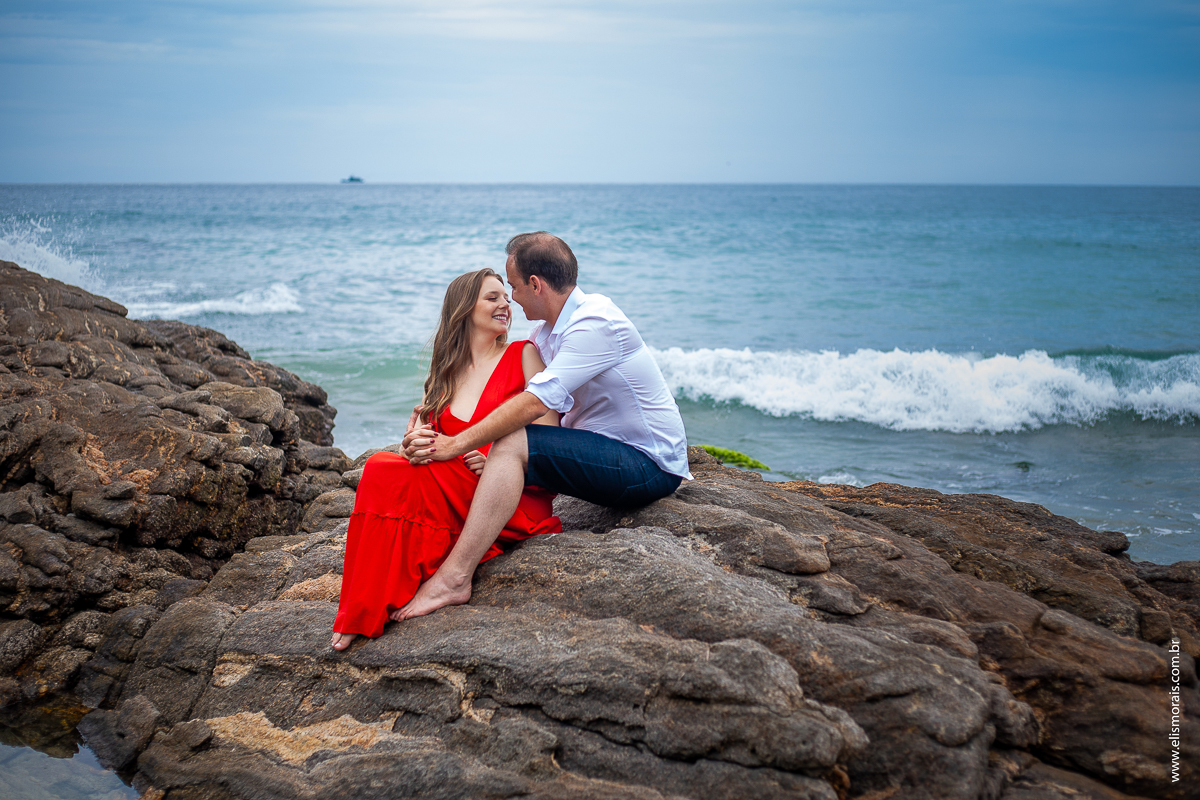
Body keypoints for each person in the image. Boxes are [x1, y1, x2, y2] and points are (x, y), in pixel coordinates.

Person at [394, 231, 690, 621]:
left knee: (514, 439)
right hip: (601, 454)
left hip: (647, 466)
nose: (512, 298)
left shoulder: (594, 322)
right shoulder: (545, 336)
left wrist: (454, 445)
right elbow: (533, 414)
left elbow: (534, 405)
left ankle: (454, 578)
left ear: (535, 284)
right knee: (506, 448)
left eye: (513, 287)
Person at [330, 268, 561, 650]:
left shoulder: (525, 356)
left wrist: (499, 463)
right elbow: (434, 446)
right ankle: (362, 609)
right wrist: (412, 445)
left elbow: (554, 442)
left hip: (508, 496)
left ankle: (381, 602)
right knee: (383, 468)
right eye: (492, 298)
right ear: (464, 309)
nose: (506, 304)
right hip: (453, 490)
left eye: (506, 297)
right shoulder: (446, 373)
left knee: (382, 470)